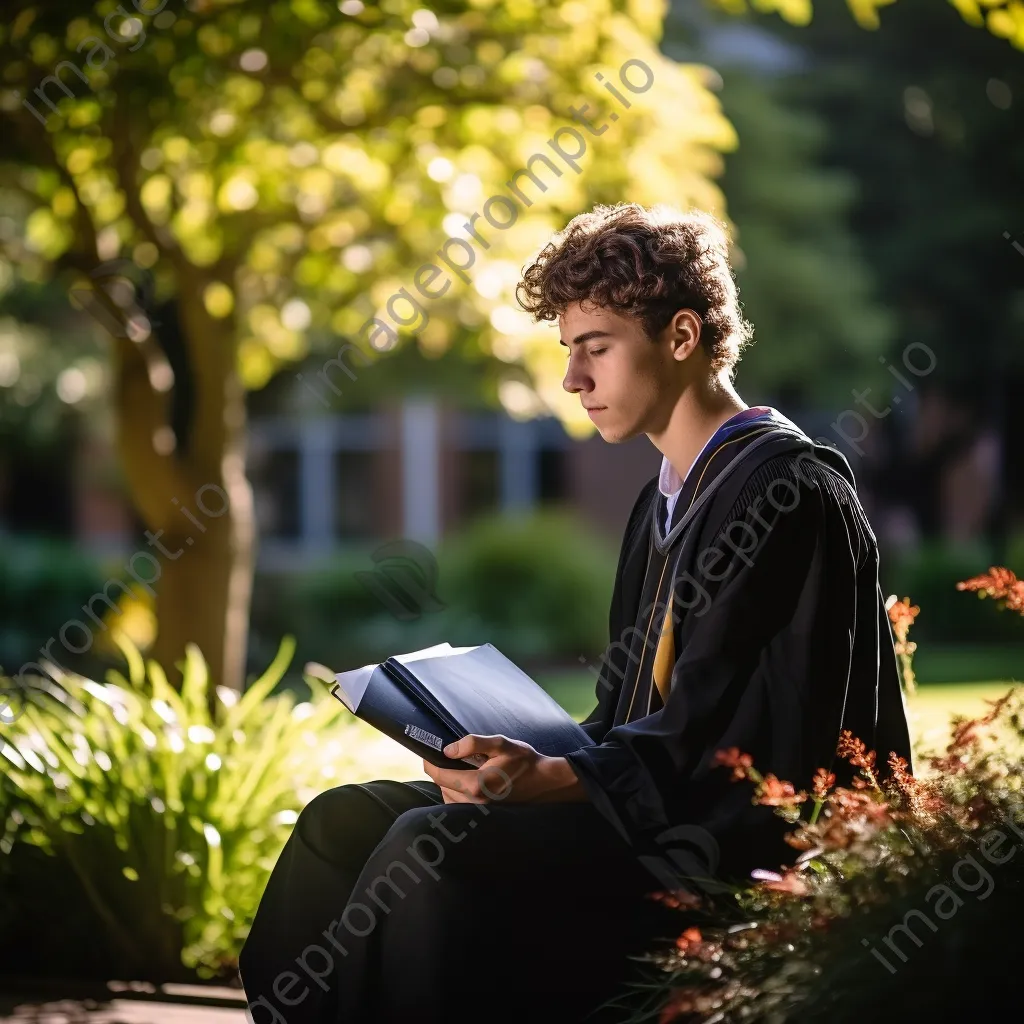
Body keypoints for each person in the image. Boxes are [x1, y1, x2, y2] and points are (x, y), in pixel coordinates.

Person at [238, 202, 914, 1024]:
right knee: (339, 821)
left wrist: (553, 779)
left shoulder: (786, 492)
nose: (572, 380)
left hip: (716, 853)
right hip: (642, 816)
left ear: (682, 336)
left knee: (430, 848)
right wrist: (515, 762)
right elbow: (632, 712)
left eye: (596, 349)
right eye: (568, 352)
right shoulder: (663, 500)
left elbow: (738, 740)